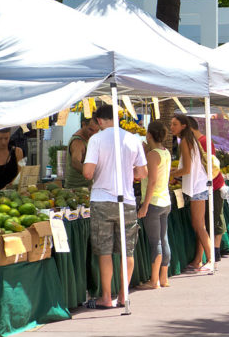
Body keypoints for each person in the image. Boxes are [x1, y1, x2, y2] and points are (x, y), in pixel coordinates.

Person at [83, 105, 148, 309]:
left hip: (102, 199)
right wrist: (128, 172)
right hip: (127, 200)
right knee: (127, 251)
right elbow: (142, 172)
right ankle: (123, 295)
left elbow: (87, 172)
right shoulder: (133, 139)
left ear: (100, 121)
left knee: (105, 251)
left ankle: (105, 297)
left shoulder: (96, 139)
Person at [170, 114, 212, 272]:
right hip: (197, 185)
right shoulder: (189, 140)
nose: (171, 127)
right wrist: (174, 171)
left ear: (184, 126)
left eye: (175, 124)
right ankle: (198, 260)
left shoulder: (185, 142)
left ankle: (210, 259)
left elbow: (186, 170)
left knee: (198, 225)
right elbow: (189, 167)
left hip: (197, 187)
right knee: (199, 224)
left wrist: (172, 174)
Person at [187, 116, 228, 263]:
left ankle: (214, 254)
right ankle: (203, 257)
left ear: (189, 128)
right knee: (204, 223)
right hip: (205, 186)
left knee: (215, 219)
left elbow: (209, 166)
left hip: (213, 186)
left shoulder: (204, 142)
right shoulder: (198, 142)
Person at [138, 121, 172, 289]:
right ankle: (163, 278)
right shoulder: (165, 153)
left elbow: (151, 181)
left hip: (153, 202)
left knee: (155, 242)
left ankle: (154, 280)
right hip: (165, 201)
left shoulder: (152, 155)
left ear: (149, 135)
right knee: (163, 240)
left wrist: (144, 205)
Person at [65, 114, 100, 189]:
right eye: (91, 130)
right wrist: (90, 174)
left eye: (96, 131)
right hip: (76, 188)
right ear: (83, 124)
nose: (93, 133)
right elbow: (75, 162)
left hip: (86, 187)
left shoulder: (88, 139)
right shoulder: (78, 142)